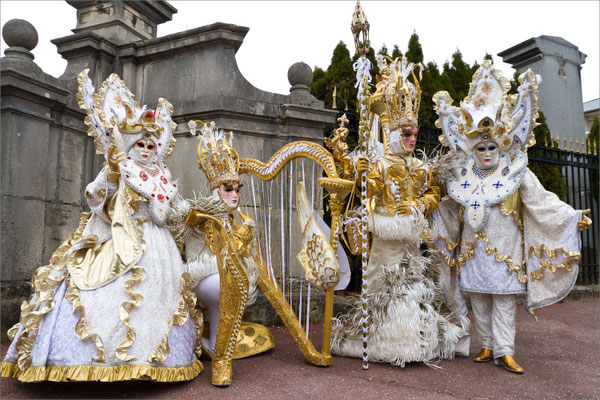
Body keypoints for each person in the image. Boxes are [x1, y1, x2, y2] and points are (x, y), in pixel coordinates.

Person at [0, 71, 202, 382]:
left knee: (157, 302)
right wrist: (111, 171)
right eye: (140, 145)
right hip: (115, 238)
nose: (147, 150)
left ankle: (153, 363)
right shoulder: (120, 168)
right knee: (101, 296)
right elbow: (96, 199)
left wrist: (187, 211)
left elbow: (171, 210)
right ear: (130, 145)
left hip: (158, 248)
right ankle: (89, 361)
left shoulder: (160, 174)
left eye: (151, 145)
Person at [431, 60, 592, 374]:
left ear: (500, 145)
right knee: (478, 296)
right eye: (481, 148)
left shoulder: (517, 172)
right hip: (471, 252)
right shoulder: (461, 176)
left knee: (503, 300)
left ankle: (505, 350)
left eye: (492, 146)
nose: (487, 152)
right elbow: (450, 207)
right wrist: (430, 211)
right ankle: (487, 344)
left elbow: (541, 202)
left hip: (505, 251)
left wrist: (571, 218)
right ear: (472, 150)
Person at [331, 55, 467, 367]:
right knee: (384, 288)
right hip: (386, 235)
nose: (411, 139)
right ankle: (385, 341)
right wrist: (360, 176)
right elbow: (365, 196)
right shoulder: (380, 164)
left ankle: (412, 341)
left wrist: (419, 205)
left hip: (410, 234)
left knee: (412, 288)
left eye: (414, 133)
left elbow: (434, 192)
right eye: (406, 133)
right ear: (393, 133)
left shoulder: (421, 166)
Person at [169, 121, 271, 387]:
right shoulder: (203, 215)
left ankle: (213, 346)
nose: (235, 194)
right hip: (204, 278)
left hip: (226, 277)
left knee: (233, 284)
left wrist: (242, 241)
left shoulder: (234, 220)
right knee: (231, 285)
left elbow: (238, 255)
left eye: (238, 189)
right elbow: (210, 251)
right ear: (216, 189)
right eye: (228, 188)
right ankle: (219, 359)